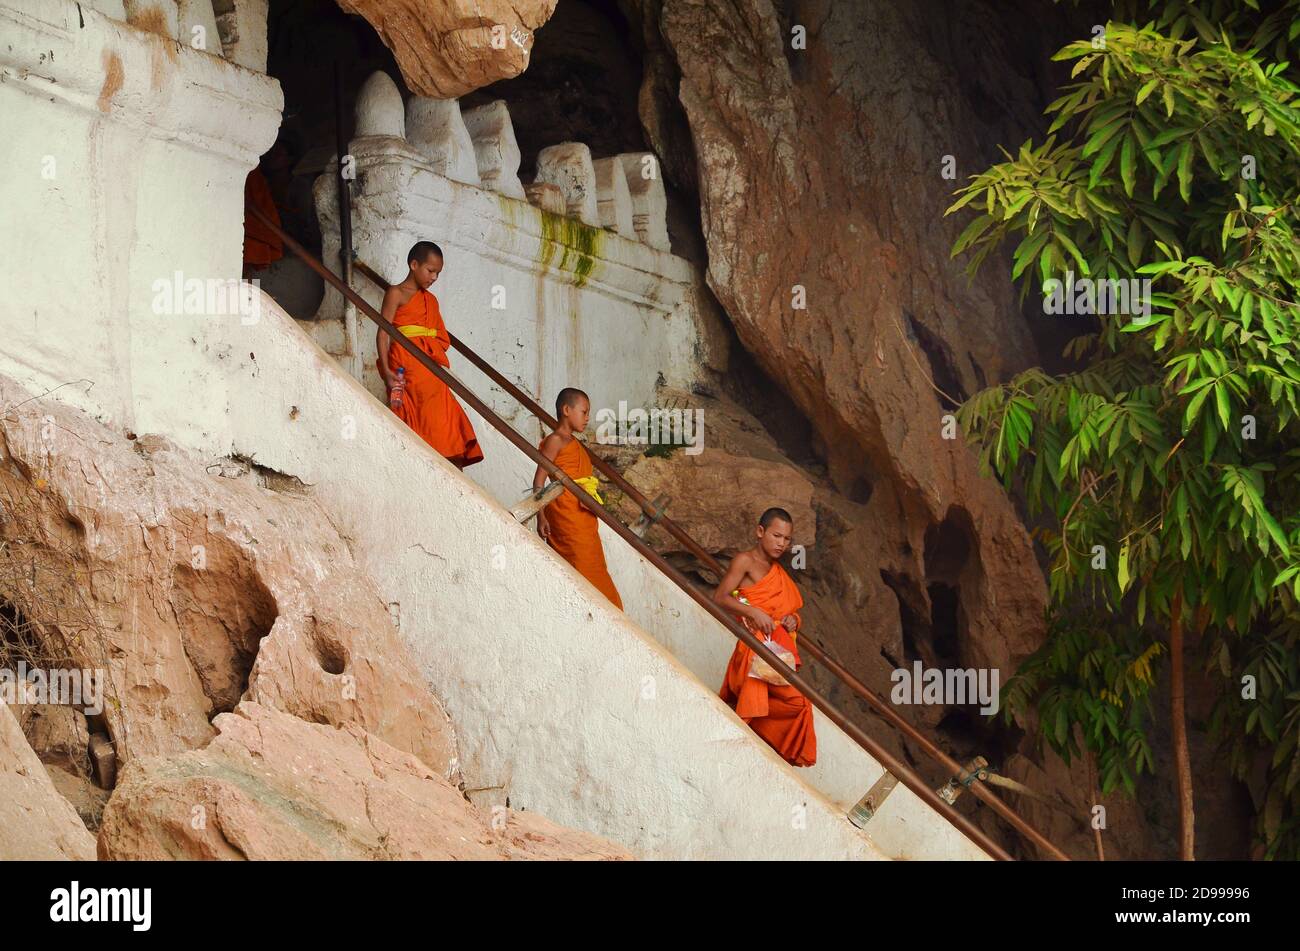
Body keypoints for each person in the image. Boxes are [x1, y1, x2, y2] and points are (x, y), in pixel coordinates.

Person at [714, 507, 816, 766]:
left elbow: (784, 612)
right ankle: (733, 750)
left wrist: (794, 620)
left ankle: (759, 740)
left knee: (799, 703)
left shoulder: (777, 572)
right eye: (776, 535)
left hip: (774, 649)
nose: (782, 543)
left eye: (787, 539)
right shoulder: (745, 561)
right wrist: (751, 611)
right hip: (753, 649)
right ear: (760, 532)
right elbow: (720, 597)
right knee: (754, 698)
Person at [377, 241, 484, 469]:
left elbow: (439, 337)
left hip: (431, 368)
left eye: (438, 273)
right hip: (406, 364)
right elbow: (383, 333)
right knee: (418, 417)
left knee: (446, 417)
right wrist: (386, 370)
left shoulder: (431, 300)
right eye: (430, 270)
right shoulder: (396, 293)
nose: (434, 277)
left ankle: (451, 461)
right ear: (414, 264)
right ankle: (427, 465)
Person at [534, 388, 623, 609]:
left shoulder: (573, 443)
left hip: (582, 515)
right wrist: (541, 516)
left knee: (595, 568)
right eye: (584, 412)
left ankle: (608, 612)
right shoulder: (555, 440)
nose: (587, 418)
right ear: (566, 410)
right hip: (566, 515)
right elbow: (538, 481)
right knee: (580, 569)